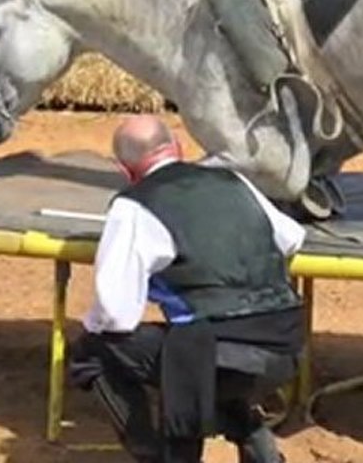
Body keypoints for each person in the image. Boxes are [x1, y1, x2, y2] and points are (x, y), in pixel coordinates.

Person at [69, 115, 305, 463]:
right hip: (287, 347)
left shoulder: (134, 205)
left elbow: (116, 315)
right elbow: (292, 237)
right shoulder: (232, 180)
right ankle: (258, 447)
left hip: (219, 355)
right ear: (178, 148)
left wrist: (95, 327)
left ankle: (152, 454)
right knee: (199, 357)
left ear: (125, 170)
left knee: (94, 351)